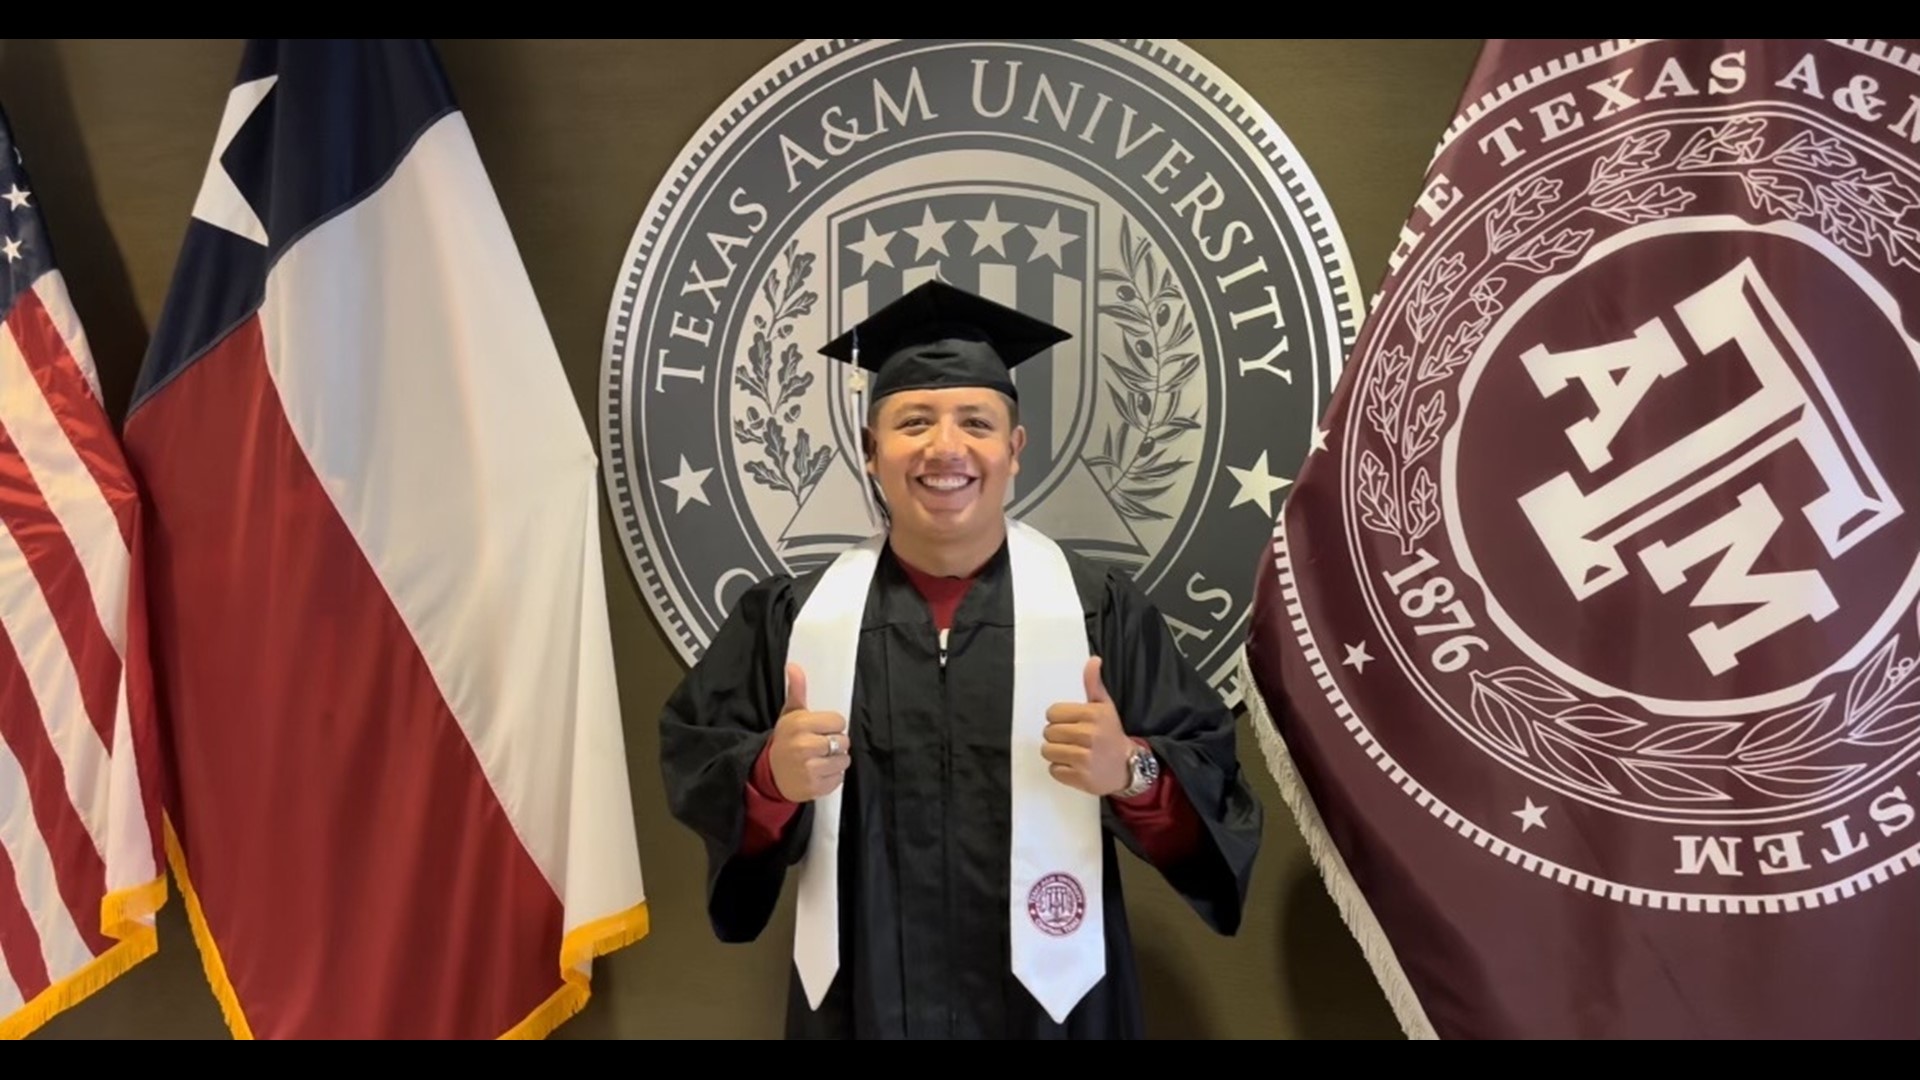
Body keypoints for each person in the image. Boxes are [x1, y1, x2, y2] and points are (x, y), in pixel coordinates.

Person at [657, 279, 1262, 1039]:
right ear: (872, 453)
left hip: (1056, 1014)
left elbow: (1214, 789)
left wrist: (1132, 772)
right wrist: (770, 780)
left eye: (976, 422)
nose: (946, 448)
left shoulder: (1098, 612)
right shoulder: (791, 619)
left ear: (1014, 450)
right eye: (913, 422)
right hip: (863, 1008)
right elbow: (697, 757)